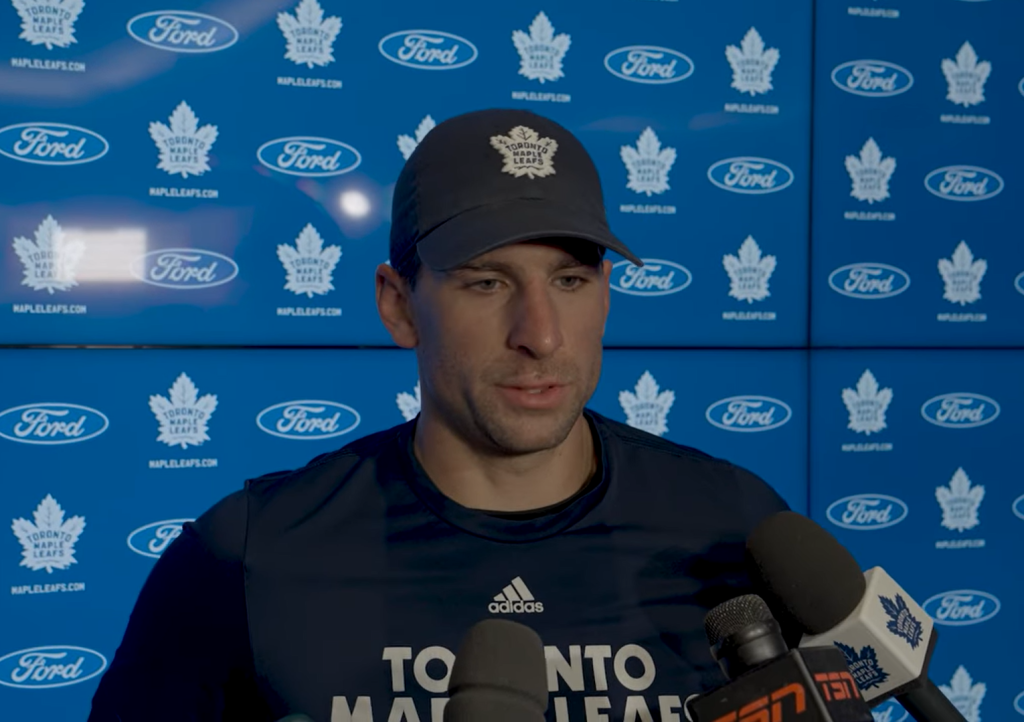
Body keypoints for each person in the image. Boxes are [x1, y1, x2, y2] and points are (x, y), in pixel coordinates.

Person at [88, 108, 789, 722]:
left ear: (606, 294)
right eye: (487, 283)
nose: (540, 334)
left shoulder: (735, 525)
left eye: (569, 281)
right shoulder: (246, 557)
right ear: (398, 304)